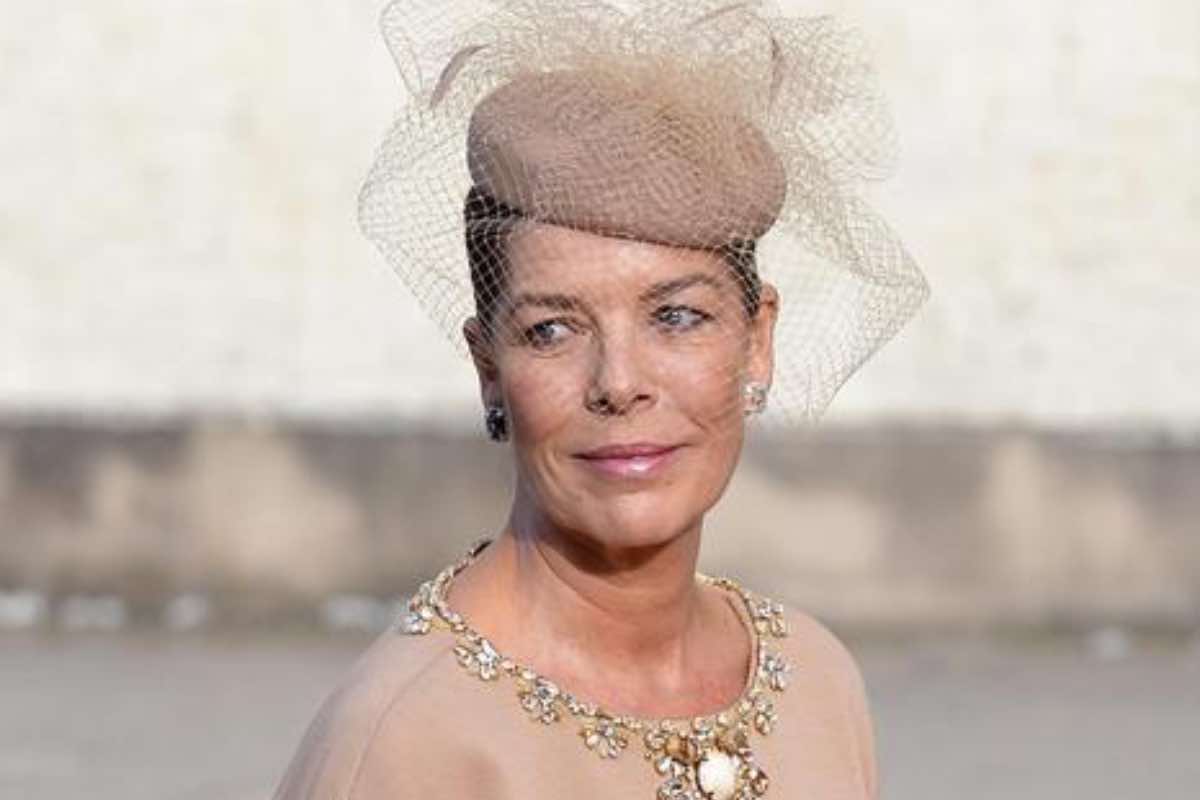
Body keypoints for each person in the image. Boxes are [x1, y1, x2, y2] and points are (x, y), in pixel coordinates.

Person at [272, 2, 929, 798]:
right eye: (552, 330)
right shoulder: (410, 738)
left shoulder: (814, 681)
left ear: (757, 339)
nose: (618, 382)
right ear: (489, 367)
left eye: (676, 317)